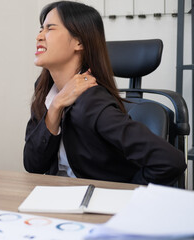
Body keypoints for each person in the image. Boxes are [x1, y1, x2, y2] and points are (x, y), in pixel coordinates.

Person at [23, 1, 186, 186]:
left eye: (50, 29)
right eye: (40, 29)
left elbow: (171, 161)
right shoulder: (47, 92)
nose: (39, 36)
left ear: (79, 42)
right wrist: (56, 106)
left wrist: (125, 195)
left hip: (93, 206)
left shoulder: (92, 102)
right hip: (56, 197)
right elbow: (33, 164)